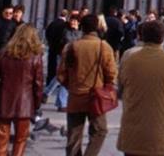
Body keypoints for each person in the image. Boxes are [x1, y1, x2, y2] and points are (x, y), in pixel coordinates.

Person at [117, 20, 164, 156]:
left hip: (132, 131)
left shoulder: (130, 60)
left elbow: (121, 87)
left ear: (141, 36)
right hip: (160, 130)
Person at [57, 13, 117, 156]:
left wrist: (71, 86)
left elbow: (61, 75)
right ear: (97, 27)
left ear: (82, 27)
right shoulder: (104, 47)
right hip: (95, 97)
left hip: (75, 97)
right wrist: (106, 87)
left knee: (73, 136)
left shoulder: (71, 47)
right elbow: (112, 74)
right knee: (100, 131)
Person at [0, 24, 44, 156]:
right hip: (25, 103)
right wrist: (37, 103)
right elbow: (38, 84)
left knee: (0, 140)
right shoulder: (35, 56)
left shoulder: (4, 52)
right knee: (20, 139)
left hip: (3, 101)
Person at [45, 14, 81, 111]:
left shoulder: (80, 33)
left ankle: (55, 98)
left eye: (75, 21)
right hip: (63, 56)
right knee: (62, 77)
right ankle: (59, 101)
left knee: (64, 78)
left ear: (78, 22)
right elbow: (65, 41)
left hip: (74, 58)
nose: (73, 23)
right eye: (72, 20)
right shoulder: (65, 31)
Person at [45, 9, 70, 86]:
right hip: (59, 49)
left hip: (51, 47)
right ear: (67, 16)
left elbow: (47, 33)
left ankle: (49, 81)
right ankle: (54, 85)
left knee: (51, 66)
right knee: (59, 68)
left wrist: (50, 42)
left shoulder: (52, 23)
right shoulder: (64, 25)